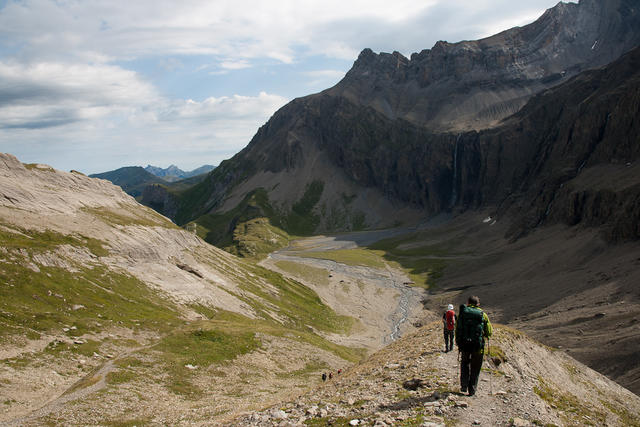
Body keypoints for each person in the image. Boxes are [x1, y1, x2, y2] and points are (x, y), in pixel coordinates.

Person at [455, 295, 492, 396]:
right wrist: (485, 335)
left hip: (465, 345)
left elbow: (458, 328)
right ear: (478, 304)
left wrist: (458, 341)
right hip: (478, 346)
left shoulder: (463, 313)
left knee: (465, 363)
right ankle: (472, 389)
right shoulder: (482, 314)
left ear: (468, 303)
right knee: (475, 367)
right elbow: (489, 331)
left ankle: (464, 385)